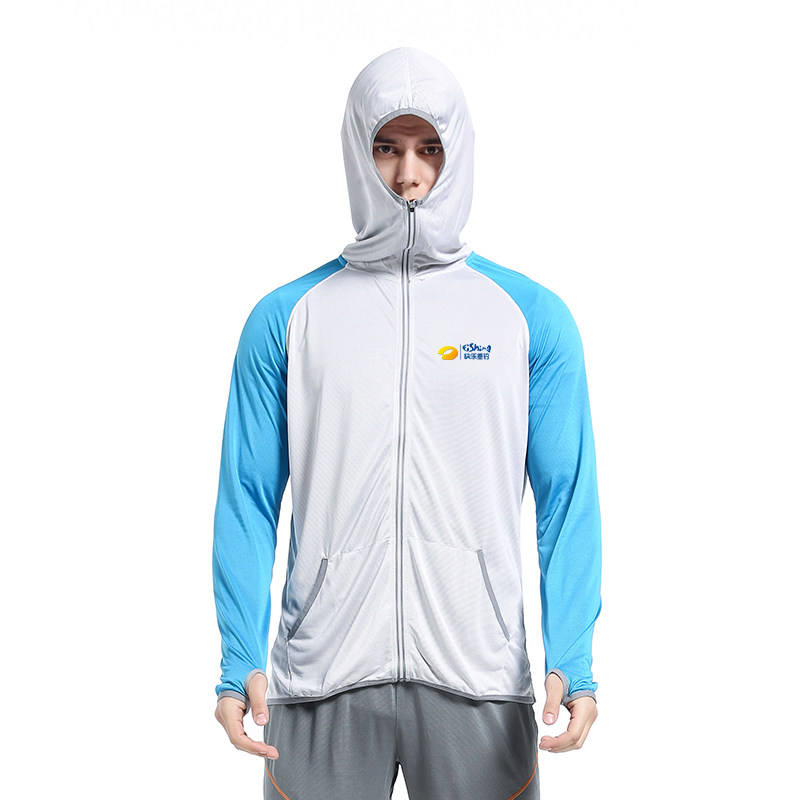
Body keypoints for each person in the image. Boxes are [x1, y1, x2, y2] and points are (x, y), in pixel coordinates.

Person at [212, 46, 602, 799]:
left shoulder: (529, 317)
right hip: (320, 677)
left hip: (479, 678)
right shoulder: (286, 318)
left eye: (430, 148)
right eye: (386, 147)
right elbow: (247, 501)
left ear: (459, 153)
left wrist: (574, 659)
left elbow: (567, 501)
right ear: (356, 154)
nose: (408, 174)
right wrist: (238, 660)